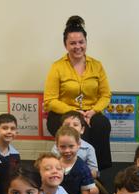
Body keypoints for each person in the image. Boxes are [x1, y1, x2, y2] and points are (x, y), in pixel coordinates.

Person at [44, 15, 112, 170]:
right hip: (62, 114)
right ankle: (76, 171)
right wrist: (74, 113)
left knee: (102, 125)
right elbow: (50, 100)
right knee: (81, 130)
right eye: (72, 43)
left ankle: (98, 171)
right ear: (65, 45)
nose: (77, 46)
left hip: (90, 113)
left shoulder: (97, 65)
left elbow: (105, 95)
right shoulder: (57, 67)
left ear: (86, 42)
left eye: (81, 42)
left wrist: (93, 111)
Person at [56, 126, 95, 194]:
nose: (67, 150)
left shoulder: (83, 168)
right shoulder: (54, 164)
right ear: (57, 146)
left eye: (71, 146)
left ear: (78, 145)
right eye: (63, 147)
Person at [52, 110, 99, 180]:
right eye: (67, 125)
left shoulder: (88, 148)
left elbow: (94, 172)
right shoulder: (56, 147)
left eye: (75, 125)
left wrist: (82, 173)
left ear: (82, 129)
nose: (71, 127)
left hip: (82, 180)